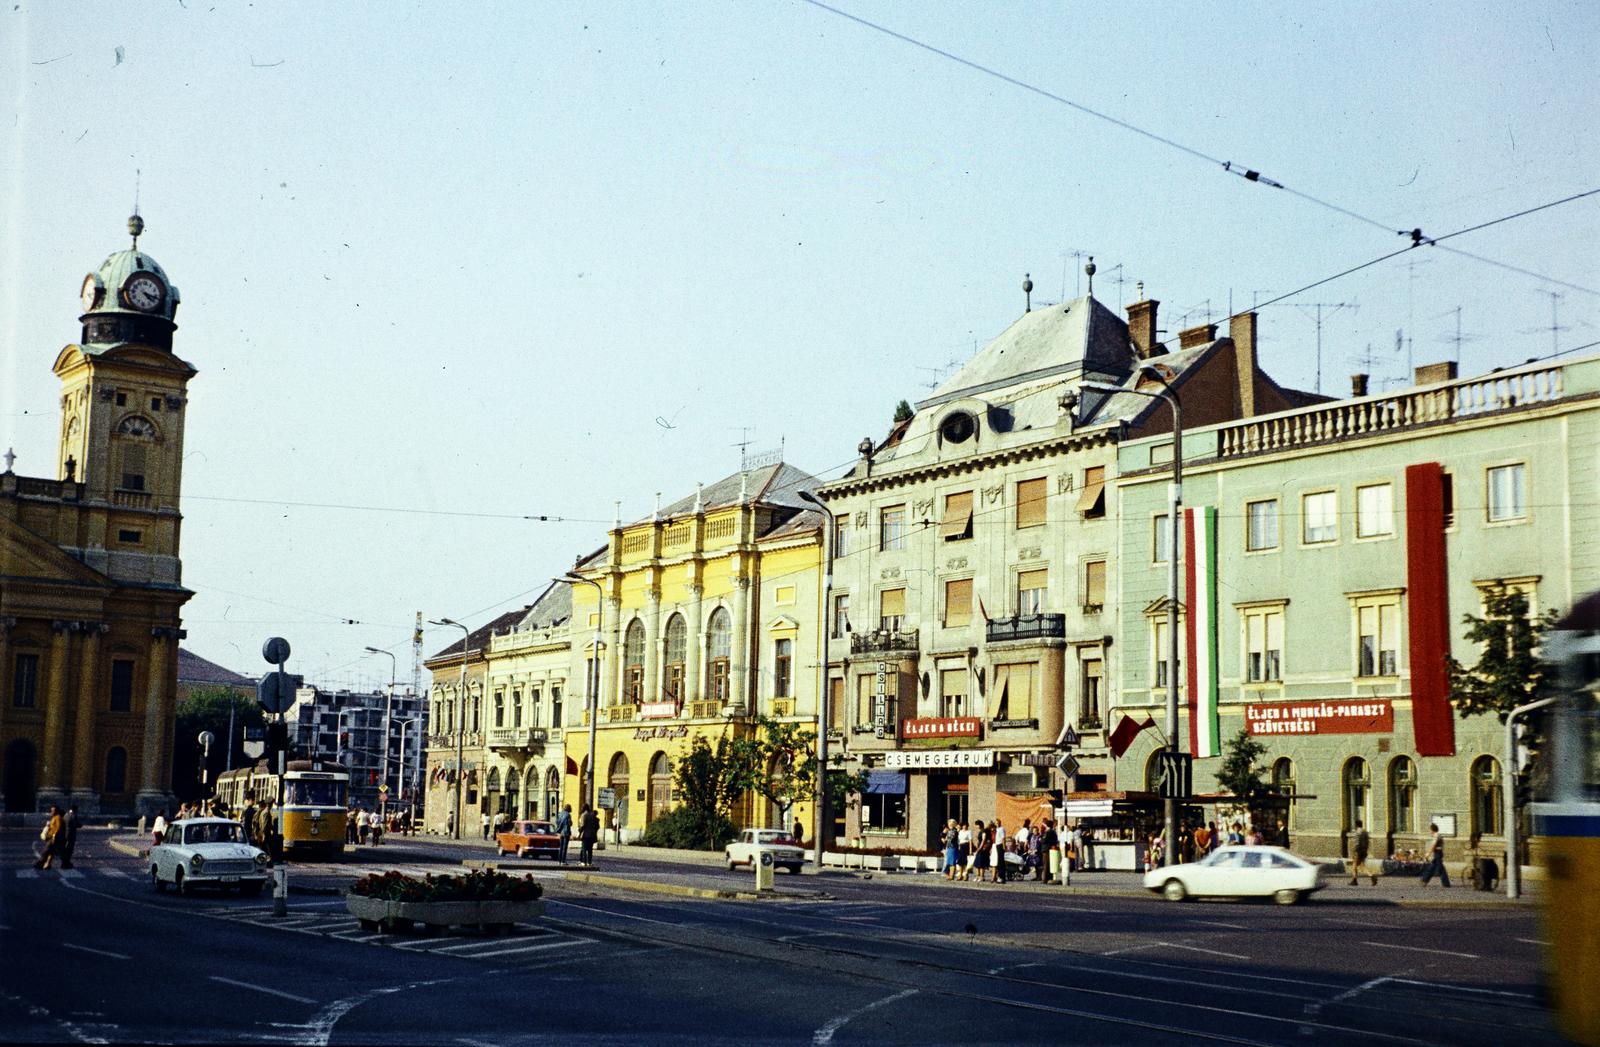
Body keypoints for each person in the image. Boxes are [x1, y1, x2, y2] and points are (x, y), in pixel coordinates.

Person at [1420, 822, 1451, 887]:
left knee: (1440, 868)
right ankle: (1425, 880)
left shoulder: (1436, 836)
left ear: (1432, 829)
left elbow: (1434, 845)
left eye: (1430, 829)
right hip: (1437, 852)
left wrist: (1428, 853)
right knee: (1433, 867)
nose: (1430, 831)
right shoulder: (1437, 835)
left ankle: (1445, 883)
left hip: (1438, 853)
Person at [35, 805, 64, 869]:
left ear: (57, 811)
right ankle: (48, 865)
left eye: (53, 810)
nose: (52, 812)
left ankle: (40, 864)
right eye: (51, 810)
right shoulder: (54, 817)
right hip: (51, 837)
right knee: (50, 852)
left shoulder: (58, 818)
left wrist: (54, 837)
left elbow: (58, 828)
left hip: (53, 838)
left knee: (46, 851)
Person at [1349, 820, 1376, 885]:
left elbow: (1357, 843)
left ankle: (1355, 880)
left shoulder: (1357, 832)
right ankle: (1371, 876)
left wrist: (1355, 851)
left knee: (1354, 865)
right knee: (1362, 865)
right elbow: (1367, 842)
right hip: (1364, 850)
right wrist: (1365, 850)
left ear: (1356, 825)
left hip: (1358, 851)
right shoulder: (1365, 832)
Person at [60, 804, 82, 869]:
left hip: (64, 834)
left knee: (65, 849)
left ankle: (65, 863)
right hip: (71, 835)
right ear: (75, 810)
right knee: (69, 850)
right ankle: (66, 863)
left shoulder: (65, 815)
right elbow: (78, 824)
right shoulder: (73, 816)